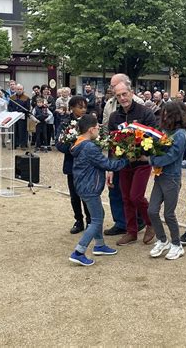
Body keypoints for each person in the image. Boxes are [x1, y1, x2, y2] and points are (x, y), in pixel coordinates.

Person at [69, 114, 129, 266]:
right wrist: (127, 159)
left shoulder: (79, 143)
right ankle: (79, 252)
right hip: (90, 187)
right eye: (97, 128)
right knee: (96, 220)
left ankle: (100, 245)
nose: (98, 130)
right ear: (91, 129)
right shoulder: (89, 147)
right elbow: (108, 165)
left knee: (99, 214)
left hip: (83, 186)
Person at [108, 81, 157, 246]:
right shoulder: (115, 117)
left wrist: (143, 153)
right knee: (126, 198)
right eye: (118, 96)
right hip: (123, 164)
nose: (122, 98)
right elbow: (112, 144)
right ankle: (131, 231)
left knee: (136, 196)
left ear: (131, 92)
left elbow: (154, 137)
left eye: (124, 94)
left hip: (141, 163)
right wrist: (110, 168)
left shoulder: (145, 113)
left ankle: (151, 223)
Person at [102, 74, 145, 237]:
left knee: (133, 192)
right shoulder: (109, 104)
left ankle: (138, 219)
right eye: (113, 87)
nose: (115, 90)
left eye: (117, 85)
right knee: (114, 187)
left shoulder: (138, 104)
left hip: (135, 155)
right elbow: (107, 129)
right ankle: (120, 222)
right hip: (116, 152)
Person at [147, 102, 186, 260]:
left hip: (171, 177)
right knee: (152, 210)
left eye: (167, 113)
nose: (163, 116)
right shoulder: (164, 131)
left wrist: (153, 160)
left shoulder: (180, 134)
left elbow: (172, 156)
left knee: (169, 213)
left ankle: (177, 244)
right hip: (160, 175)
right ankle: (162, 239)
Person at [56, 96, 91, 234]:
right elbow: (59, 144)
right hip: (72, 164)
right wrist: (73, 148)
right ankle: (78, 220)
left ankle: (90, 220)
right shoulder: (65, 123)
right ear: (72, 107)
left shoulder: (89, 121)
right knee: (74, 195)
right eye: (80, 107)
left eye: (84, 107)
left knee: (87, 194)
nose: (83, 110)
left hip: (87, 165)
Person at [8, 84, 31, 150]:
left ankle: (23, 144)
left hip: (22, 116)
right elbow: (9, 106)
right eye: (18, 89)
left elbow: (27, 107)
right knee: (14, 130)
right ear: (15, 89)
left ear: (23, 90)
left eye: (20, 89)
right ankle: (14, 144)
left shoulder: (26, 98)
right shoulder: (12, 97)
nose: (19, 90)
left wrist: (19, 111)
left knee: (22, 131)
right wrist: (13, 111)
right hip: (14, 116)